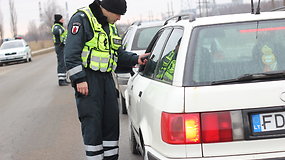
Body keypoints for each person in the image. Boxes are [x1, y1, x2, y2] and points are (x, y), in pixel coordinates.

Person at [64, 0, 149, 159]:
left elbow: (118, 54)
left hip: (106, 79)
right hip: (88, 80)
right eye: (118, 14)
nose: (119, 18)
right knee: (93, 124)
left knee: (111, 123)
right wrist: (79, 79)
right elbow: (70, 54)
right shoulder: (81, 19)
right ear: (107, 9)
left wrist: (136, 59)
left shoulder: (110, 26)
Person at [52, 14, 69, 86]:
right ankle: (61, 80)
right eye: (62, 18)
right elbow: (56, 32)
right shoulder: (56, 26)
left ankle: (64, 79)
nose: (63, 19)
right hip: (60, 46)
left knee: (64, 62)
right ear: (59, 19)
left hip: (62, 46)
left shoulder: (60, 26)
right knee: (61, 63)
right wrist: (60, 42)